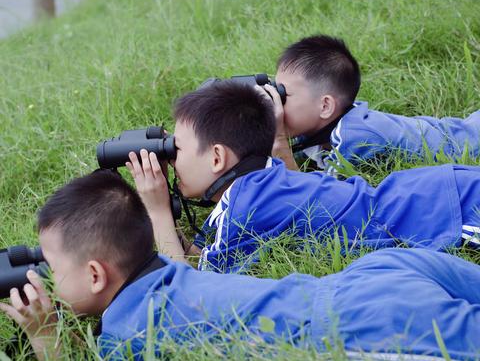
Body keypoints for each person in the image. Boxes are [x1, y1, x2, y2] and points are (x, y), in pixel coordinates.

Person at [1, 170, 479, 361]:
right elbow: (173, 255)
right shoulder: (166, 273)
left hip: (368, 322)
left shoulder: (127, 335)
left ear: (96, 275)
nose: (44, 277)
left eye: (52, 266)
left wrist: (46, 337)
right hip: (375, 273)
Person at [127, 80, 480, 274]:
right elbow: (200, 257)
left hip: (449, 211)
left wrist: (157, 211)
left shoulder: (246, 204)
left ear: (217, 157)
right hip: (434, 193)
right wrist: (168, 225)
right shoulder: (262, 181)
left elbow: (188, 285)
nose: (171, 162)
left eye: (178, 151)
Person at [269, 35, 480, 173]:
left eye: (283, 94)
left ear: (325, 106)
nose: (276, 101)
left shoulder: (354, 138)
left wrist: (279, 142)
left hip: (471, 144)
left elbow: (314, 199)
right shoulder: (319, 127)